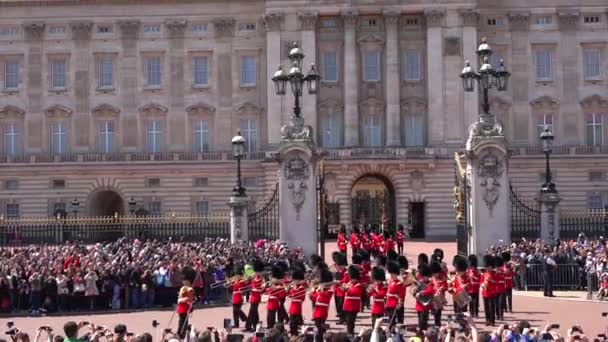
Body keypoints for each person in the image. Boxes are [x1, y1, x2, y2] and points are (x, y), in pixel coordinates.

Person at [310, 268, 334, 342]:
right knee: (317, 328)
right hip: (317, 312)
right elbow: (313, 298)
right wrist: (311, 291)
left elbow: (325, 298)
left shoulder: (329, 292)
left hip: (322, 312)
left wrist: (321, 290)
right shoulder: (319, 291)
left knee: (320, 329)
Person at [244, 259, 265, 332]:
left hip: (256, 296)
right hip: (252, 296)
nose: (255, 272)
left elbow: (262, 288)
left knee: (253, 311)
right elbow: (250, 286)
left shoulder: (261, 278)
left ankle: (253, 325)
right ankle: (250, 326)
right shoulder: (254, 277)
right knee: (252, 311)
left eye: (257, 271)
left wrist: (253, 278)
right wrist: (248, 280)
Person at [342, 265, 362, 336]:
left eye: (352, 278)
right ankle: (349, 333)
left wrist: (347, 288)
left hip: (353, 307)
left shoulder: (358, 285)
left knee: (351, 321)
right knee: (348, 321)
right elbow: (342, 292)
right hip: (347, 306)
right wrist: (343, 288)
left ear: (356, 278)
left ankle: (350, 334)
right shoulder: (349, 284)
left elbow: (355, 293)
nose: (351, 280)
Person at [176, 266, 196, 339]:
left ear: (189, 281)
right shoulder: (183, 288)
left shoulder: (190, 289)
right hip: (181, 307)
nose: (183, 281)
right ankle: (180, 333)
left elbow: (189, 299)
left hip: (185, 308)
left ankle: (182, 334)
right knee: (181, 321)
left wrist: (181, 300)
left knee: (183, 322)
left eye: (185, 280)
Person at [287, 264, 306, 336]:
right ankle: (293, 334)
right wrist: (288, 289)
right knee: (292, 323)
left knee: (294, 322)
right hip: (293, 307)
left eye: (295, 280)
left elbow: (298, 297)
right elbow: (289, 295)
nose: (293, 281)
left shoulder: (301, 288)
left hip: (297, 307)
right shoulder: (295, 287)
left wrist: (293, 288)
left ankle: (295, 334)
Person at [414, 263, 434, 331]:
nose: (424, 278)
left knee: (423, 321)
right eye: (423, 276)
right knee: (420, 320)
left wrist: (421, 293)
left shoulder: (429, 283)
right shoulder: (419, 283)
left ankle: (422, 332)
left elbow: (430, 291)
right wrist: (415, 292)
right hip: (419, 305)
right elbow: (414, 293)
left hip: (426, 306)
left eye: (426, 276)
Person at [265, 264, 286, 329]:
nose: (271, 278)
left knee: (275, 316)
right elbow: (266, 291)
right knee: (270, 317)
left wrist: (278, 288)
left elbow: (282, 294)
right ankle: (270, 327)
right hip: (270, 302)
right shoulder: (271, 284)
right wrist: (267, 287)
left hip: (275, 302)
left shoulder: (280, 285)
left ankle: (276, 328)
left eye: (272, 277)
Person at [385, 260, 404, 329]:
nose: (391, 275)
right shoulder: (390, 281)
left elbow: (401, 295)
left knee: (393, 319)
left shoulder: (399, 283)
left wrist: (399, 303)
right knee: (390, 318)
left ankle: (393, 330)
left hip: (394, 303)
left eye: (393, 274)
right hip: (389, 302)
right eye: (391, 274)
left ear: (396, 274)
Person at [331, 251, 348, 325]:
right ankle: (341, 319)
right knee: (338, 306)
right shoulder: (337, 272)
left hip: (342, 291)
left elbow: (345, 280)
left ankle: (344, 319)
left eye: (338, 265)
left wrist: (338, 282)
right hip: (337, 291)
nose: (337, 266)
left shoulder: (345, 272)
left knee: (342, 306)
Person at [230, 264, 248, 329]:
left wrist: (234, 282)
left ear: (240, 275)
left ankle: (245, 318)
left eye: (237, 275)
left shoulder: (241, 281)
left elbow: (240, 288)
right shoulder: (236, 281)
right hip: (234, 297)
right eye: (235, 275)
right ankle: (236, 324)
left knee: (237, 310)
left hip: (239, 297)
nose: (235, 276)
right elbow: (232, 288)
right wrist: (229, 283)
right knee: (235, 312)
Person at [430, 260, 447, 327]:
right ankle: (436, 323)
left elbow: (446, 287)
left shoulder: (441, 280)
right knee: (434, 312)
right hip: (432, 298)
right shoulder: (430, 280)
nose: (436, 274)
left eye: (437, 273)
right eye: (435, 273)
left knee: (438, 312)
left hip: (439, 298)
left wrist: (442, 289)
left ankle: (438, 324)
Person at [481, 255, 496, 326]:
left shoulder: (494, 273)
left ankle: (492, 321)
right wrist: (482, 285)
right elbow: (481, 282)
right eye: (486, 267)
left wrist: (491, 280)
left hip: (492, 293)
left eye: (488, 267)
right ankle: (487, 320)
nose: (487, 268)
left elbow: (497, 282)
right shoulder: (484, 274)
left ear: (491, 266)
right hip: (485, 292)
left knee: (491, 308)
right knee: (486, 308)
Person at [493, 255, 505, 321]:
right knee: (496, 304)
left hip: (502, 289)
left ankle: (501, 316)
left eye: (498, 266)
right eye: (497, 266)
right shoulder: (494, 272)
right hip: (495, 289)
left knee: (501, 303)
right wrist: (496, 273)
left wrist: (501, 272)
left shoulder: (502, 271)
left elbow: (505, 276)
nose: (498, 267)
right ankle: (497, 315)